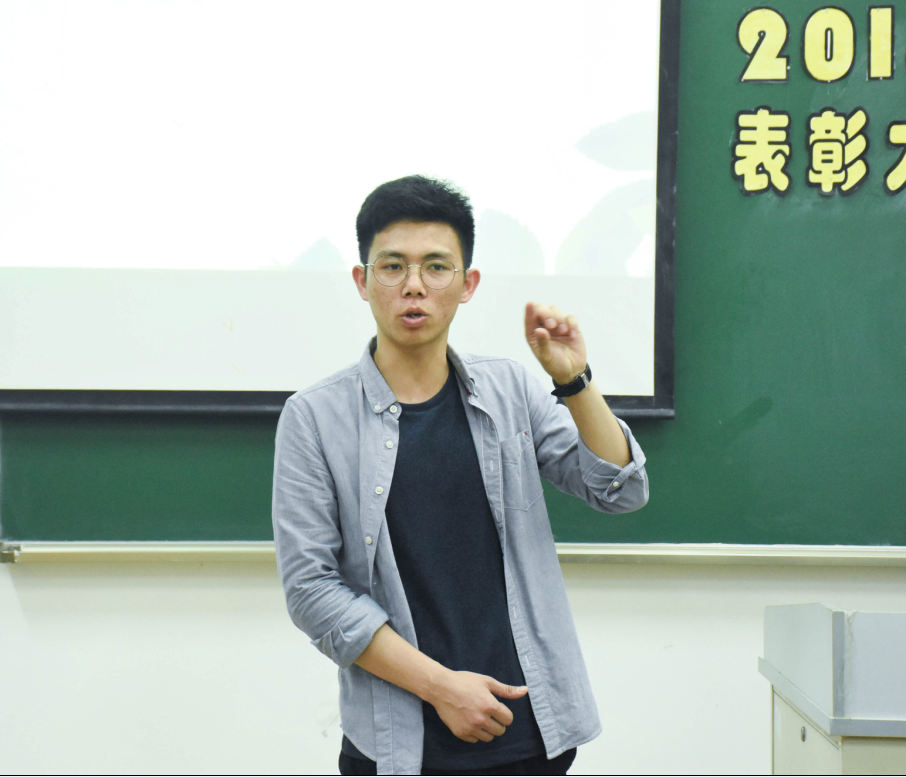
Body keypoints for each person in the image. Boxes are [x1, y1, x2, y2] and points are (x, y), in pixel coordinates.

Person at [272, 175, 649, 776]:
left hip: (532, 733)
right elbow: (312, 592)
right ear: (362, 281)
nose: (413, 285)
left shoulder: (510, 389)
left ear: (467, 283)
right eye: (392, 266)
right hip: (396, 742)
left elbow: (620, 491)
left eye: (436, 267)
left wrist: (574, 380)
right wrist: (443, 689)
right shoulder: (314, 418)